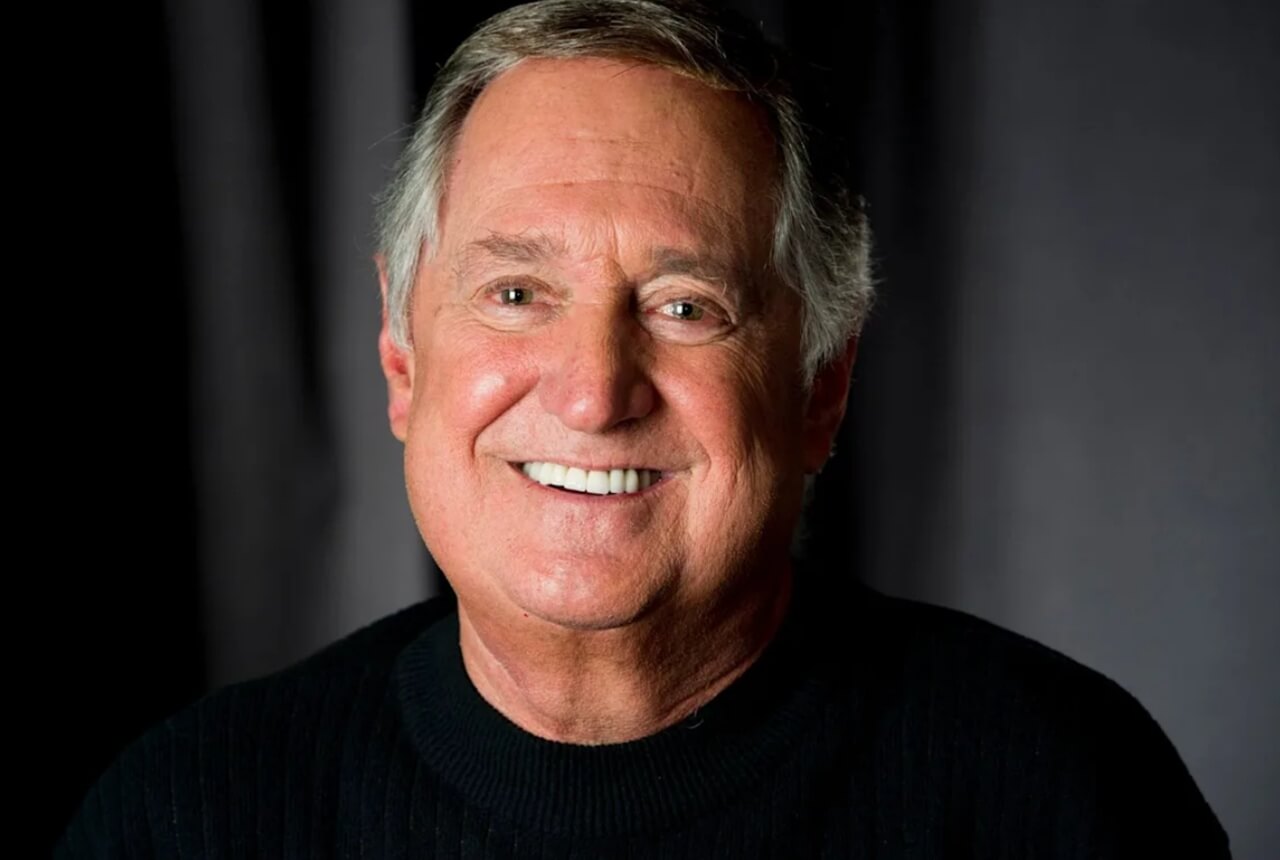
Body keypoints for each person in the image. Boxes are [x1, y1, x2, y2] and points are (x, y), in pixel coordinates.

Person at [59, 0, 1230, 856]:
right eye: (515, 293)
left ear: (819, 386)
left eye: (684, 307)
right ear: (401, 357)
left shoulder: (1060, 791)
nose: (592, 389)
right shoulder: (183, 817)